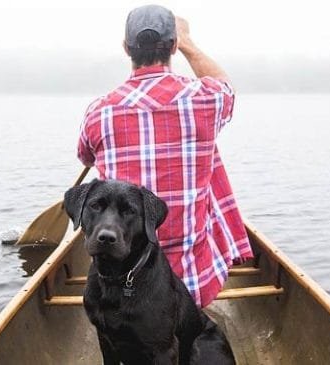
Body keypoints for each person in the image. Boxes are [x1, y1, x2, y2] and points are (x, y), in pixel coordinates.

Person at [76, 4, 252, 307]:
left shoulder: (98, 112)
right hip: (191, 284)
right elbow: (227, 87)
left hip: (120, 282)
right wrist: (188, 42)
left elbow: (86, 157)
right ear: (172, 46)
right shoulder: (207, 99)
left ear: (126, 48)